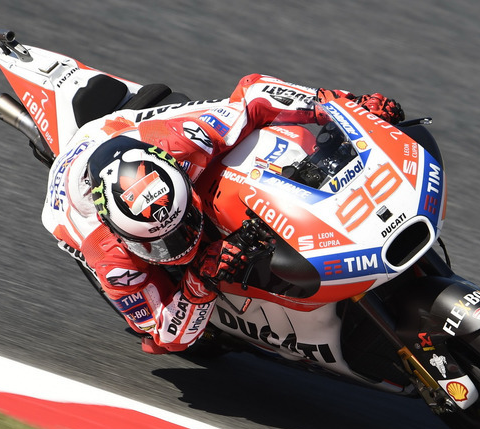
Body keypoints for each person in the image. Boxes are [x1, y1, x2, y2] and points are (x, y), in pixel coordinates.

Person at [41, 74, 404, 353]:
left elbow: (254, 95)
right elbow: (165, 334)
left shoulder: (184, 139)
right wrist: (201, 280)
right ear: (120, 232)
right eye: (162, 242)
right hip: (71, 190)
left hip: (130, 130)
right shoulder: (106, 252)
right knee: (161, 318)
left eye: (182, 227)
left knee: (277, 139)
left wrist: (339, 106)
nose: (182, 243)